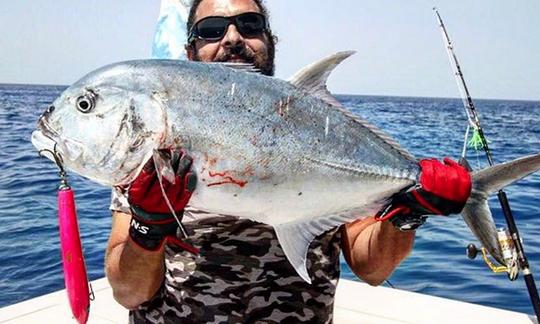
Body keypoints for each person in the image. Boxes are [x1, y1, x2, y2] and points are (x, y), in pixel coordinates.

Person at [105, 0, 472, 323]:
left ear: (270, 42)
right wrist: (147, 229)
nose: (232, 38)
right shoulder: (154, 145)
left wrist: (406, 215)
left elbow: (371, 266)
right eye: (212, 30)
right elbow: (130, 293)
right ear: (190, 52)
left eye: (250, 26)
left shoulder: (325, 128)